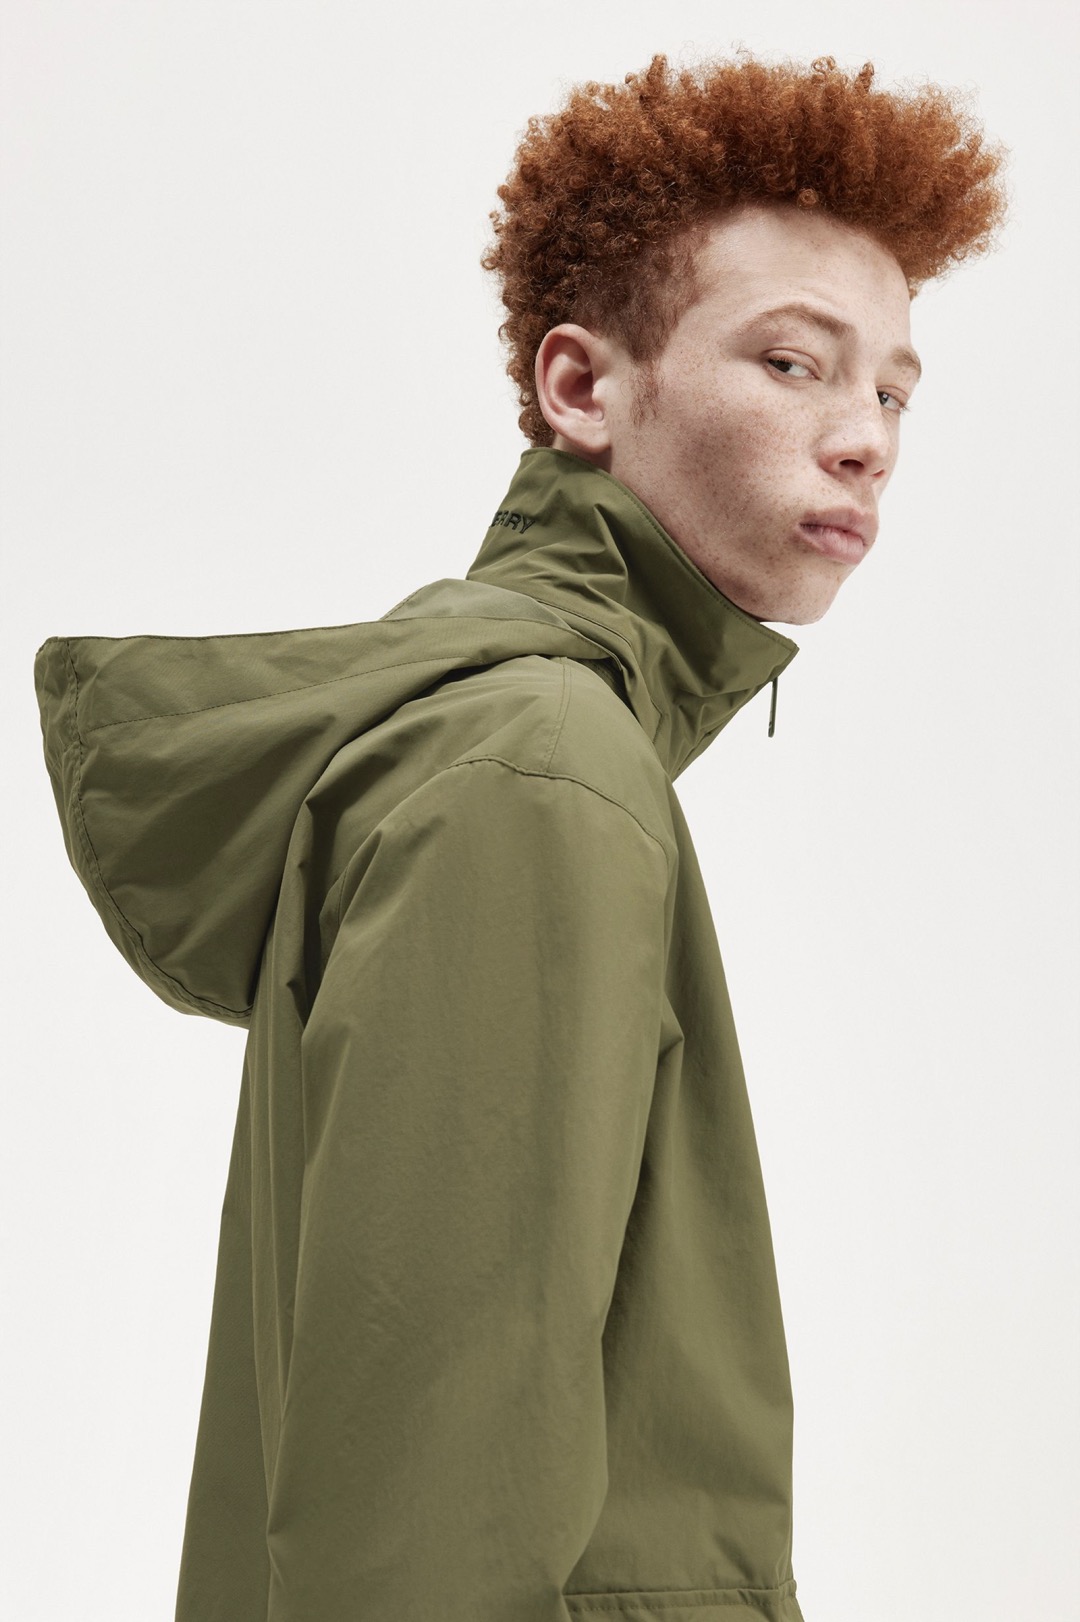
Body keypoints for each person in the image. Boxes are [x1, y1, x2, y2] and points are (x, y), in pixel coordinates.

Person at [33, 50, 1009, 1622]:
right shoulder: (536, 769)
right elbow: (428, 1498)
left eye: (892, 389)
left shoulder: (521, 742)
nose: (865, 437)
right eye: (793, 362)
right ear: (582, 389)